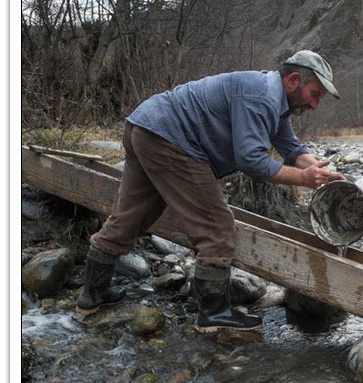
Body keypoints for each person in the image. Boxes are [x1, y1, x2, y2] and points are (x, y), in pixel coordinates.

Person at [76, 50, 347, 332]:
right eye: (315, 94)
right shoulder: (261, 97)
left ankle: (92, 296)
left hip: (145, 126)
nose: (314, 104)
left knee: (130, 215)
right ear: (293, 81)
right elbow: (251, 161)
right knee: (217, 226)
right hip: (172, 140)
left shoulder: (273, 99)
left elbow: (291, 147)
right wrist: (302, 178)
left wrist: (318, 169)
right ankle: (213, 313)